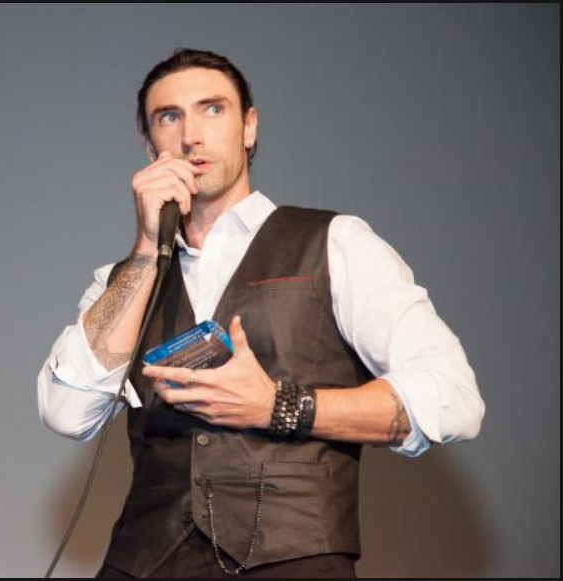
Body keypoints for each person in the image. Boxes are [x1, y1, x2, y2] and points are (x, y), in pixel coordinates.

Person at [37, 48, 485, 578]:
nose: (190, 136)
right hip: (145, 564)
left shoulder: (336, 243)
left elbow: (454, 399)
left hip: (292, 561)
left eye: (213, 109)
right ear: (149, 145)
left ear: (249, 127)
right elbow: (66, 413)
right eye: (169, 117)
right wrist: (142, 252)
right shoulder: (123, 281)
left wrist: (281, 407)